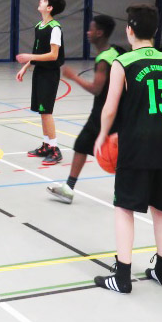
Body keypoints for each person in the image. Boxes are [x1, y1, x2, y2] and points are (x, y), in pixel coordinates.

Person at [93, 4, 162, 293]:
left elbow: (110, 108)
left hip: (137, 144)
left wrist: (102, 135)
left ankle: (122, 276)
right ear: (155, 31)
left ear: (129, 30)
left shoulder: (124, 62)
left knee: (124, 207)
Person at [47, 15, 120, 204]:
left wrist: (73, 76)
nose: (88, 32)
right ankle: (69, 189)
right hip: (114, 110)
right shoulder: (114, 52)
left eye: (91, 29)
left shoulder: (104, 60)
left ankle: (70, 188)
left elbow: (96, 89)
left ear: (100, 33)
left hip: (104, 112)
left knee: (90, 147)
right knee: (84, 145)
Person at [16, 0, 67, 166]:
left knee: (47, 111)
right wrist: (26, 66)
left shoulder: (55, 28)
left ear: (50, 7)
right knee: (41, 111)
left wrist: (29, 57)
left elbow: (53, 55)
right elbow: (38, 52)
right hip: (39, 72)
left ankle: (55, 149)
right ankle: (46, 145)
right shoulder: (39, 26)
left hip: (50, 74)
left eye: (44, 0)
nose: (40, 1)